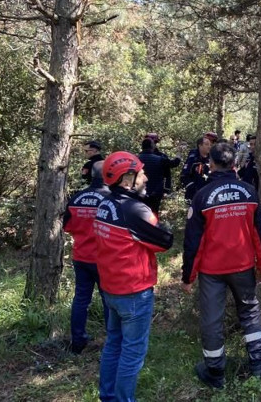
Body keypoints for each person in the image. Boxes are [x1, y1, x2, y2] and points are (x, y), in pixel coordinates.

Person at [182, 142, 261, 388]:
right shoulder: (248, 191)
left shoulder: (201, 196)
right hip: (243, 266)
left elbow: (193, 243)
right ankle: (259, 366)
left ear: (210, 164)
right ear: (235, 164)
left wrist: (188, 277)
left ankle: (215, 373)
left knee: (212, 320)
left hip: (212, 271)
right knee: (250, 313)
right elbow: (260, 235)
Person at [94, 151, 174, 402]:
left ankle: (108, 396)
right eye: (141, 173)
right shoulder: (135, 210)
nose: (146, 177)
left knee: (113, 345)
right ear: (127, 179)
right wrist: (164, 227)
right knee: (132, 353)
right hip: (134, 291)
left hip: (112, 289)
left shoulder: (104, 204)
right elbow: (164, 242)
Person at [63, 160, 110, 354]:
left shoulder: (77, 197)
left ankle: (77, 341)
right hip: (104, 259)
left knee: (81, 299)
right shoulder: (110, 199)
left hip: (81, 256)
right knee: (109, 300)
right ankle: (112, 341)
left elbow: (67, 226)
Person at [138, 138, 167, 213]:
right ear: (152, 147)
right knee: (154, 213)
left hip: (139, 192)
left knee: (140, 212)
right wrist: (179, 155)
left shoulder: (136, 159)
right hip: (156, 193)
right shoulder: (160, 159)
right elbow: (174, 163)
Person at [181, 135, 213, 203]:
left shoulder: (212, 159)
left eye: (210, 144)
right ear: (200, 145)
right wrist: (192, 187)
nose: (209, 146)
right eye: (206, 144)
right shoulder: (193, 159)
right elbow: (184, 176)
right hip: (193, 195)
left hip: (208, 195)